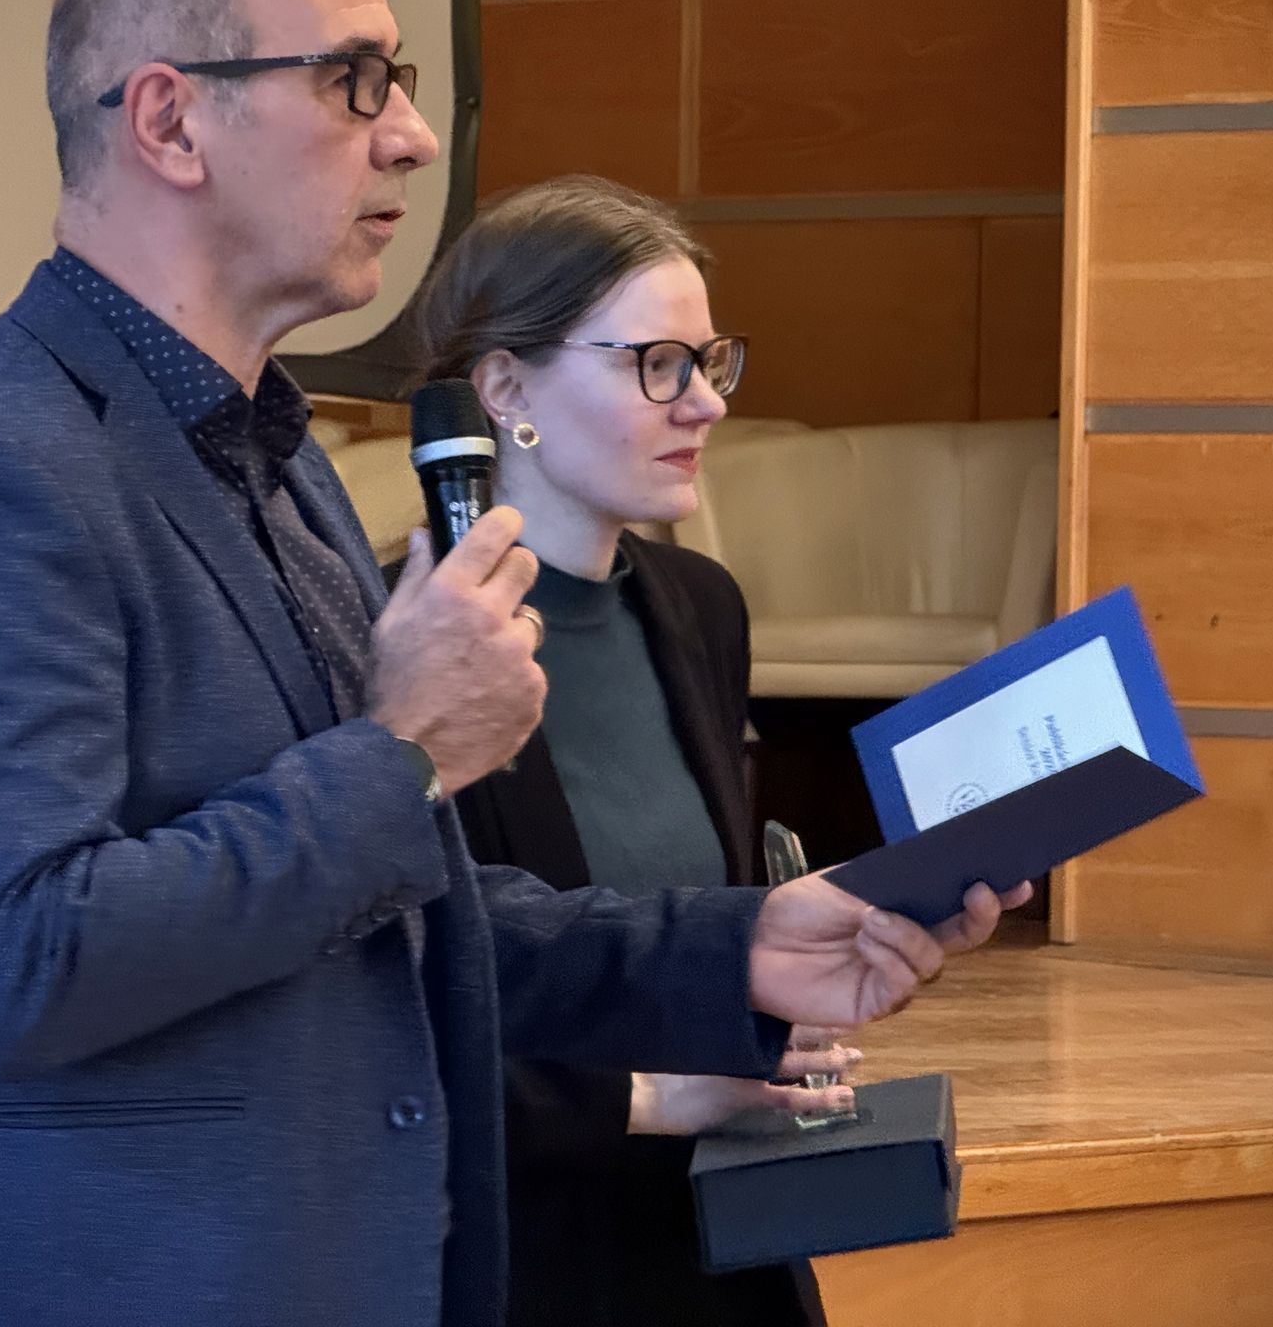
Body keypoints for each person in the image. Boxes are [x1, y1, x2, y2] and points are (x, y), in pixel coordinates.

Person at [0, 0, 1023, 1327]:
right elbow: (22, 960)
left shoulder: (284, 460)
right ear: (171, 123)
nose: (415, 137)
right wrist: (406, 752)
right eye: (355, 80)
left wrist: (733, 948)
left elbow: (396, 912)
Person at [412, 177, 969, 1326]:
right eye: (656, 364)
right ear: (504, 388)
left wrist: (794, 978)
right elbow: (403, 1010)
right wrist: (651, 1096)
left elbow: (690, 921)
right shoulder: (402, 637)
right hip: (525, 1253)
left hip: (714, 1235)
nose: (705, 403)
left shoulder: (697, 603)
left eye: (710, 362)